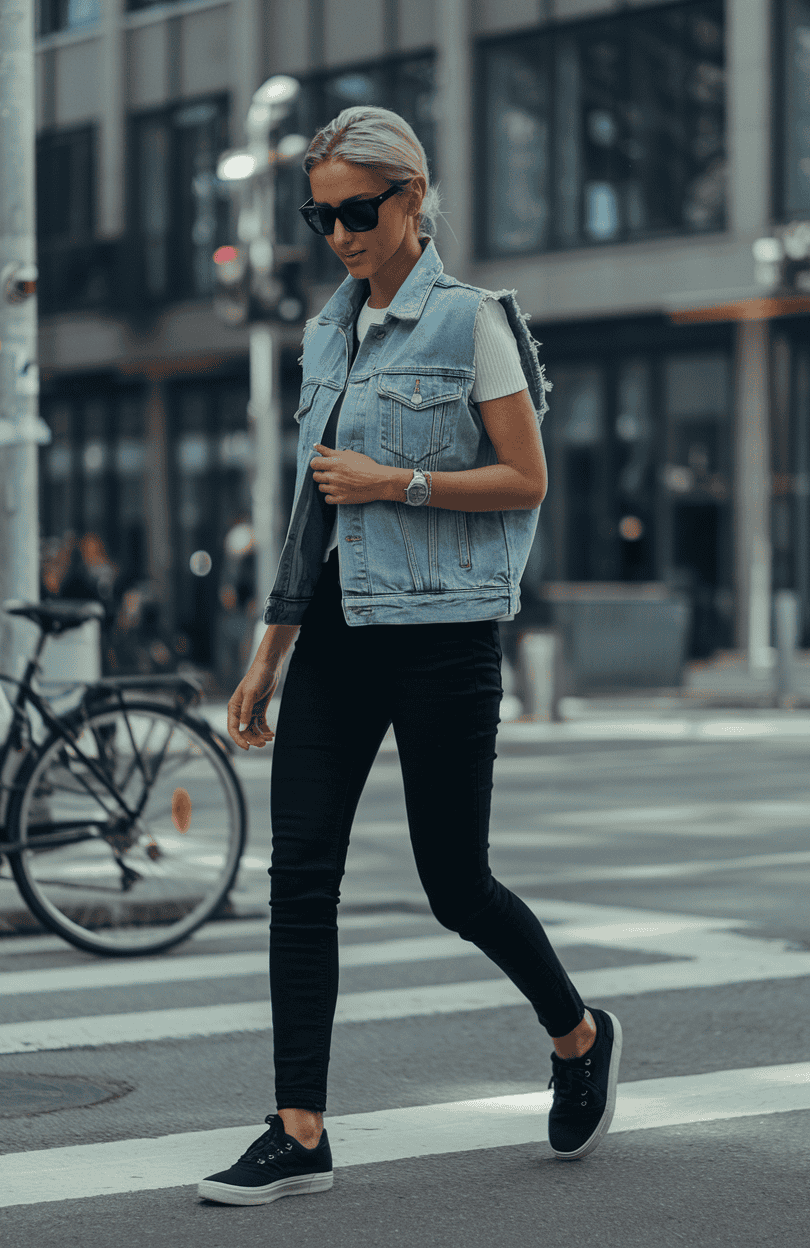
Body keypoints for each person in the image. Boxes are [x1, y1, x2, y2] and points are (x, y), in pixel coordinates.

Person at [199, 106, 622, 1207]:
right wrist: (267, 654)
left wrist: (401, 483)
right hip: (336, 634)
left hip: (443, 640)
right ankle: (299, 1130)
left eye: (356, 209)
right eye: (318, 213)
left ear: (412, 198)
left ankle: (576, 1037)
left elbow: (526, 480)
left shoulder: (473, 322)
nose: (336, 231)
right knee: (301, 878)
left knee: (454, 886)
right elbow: (309, 510)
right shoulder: (323, 334)